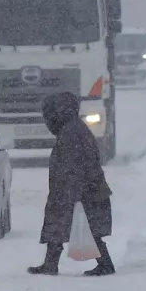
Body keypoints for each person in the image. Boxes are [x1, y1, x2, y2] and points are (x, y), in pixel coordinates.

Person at [31, 90, 116, 277]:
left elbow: (74, 166)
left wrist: (70, 192)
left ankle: (103, 264)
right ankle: (51, 264)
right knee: (75, 227)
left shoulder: (71, 132)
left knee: (72, 226)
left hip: (79, 190)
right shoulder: (72, 129)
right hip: (83, 189)